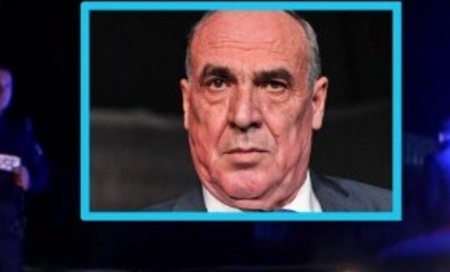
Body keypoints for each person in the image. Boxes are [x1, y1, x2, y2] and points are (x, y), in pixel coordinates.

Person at [149, 11, 391, 212]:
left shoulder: (389, 212)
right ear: (188, 104)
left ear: (316, 103)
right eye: (218, 83)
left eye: (274, 85)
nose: (243, 116)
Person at [0, 68, 48, 272]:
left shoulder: (19, 136)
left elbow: (44, 175)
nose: (0, 92)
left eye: (5, 87)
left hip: (7, 239)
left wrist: (31, 180)